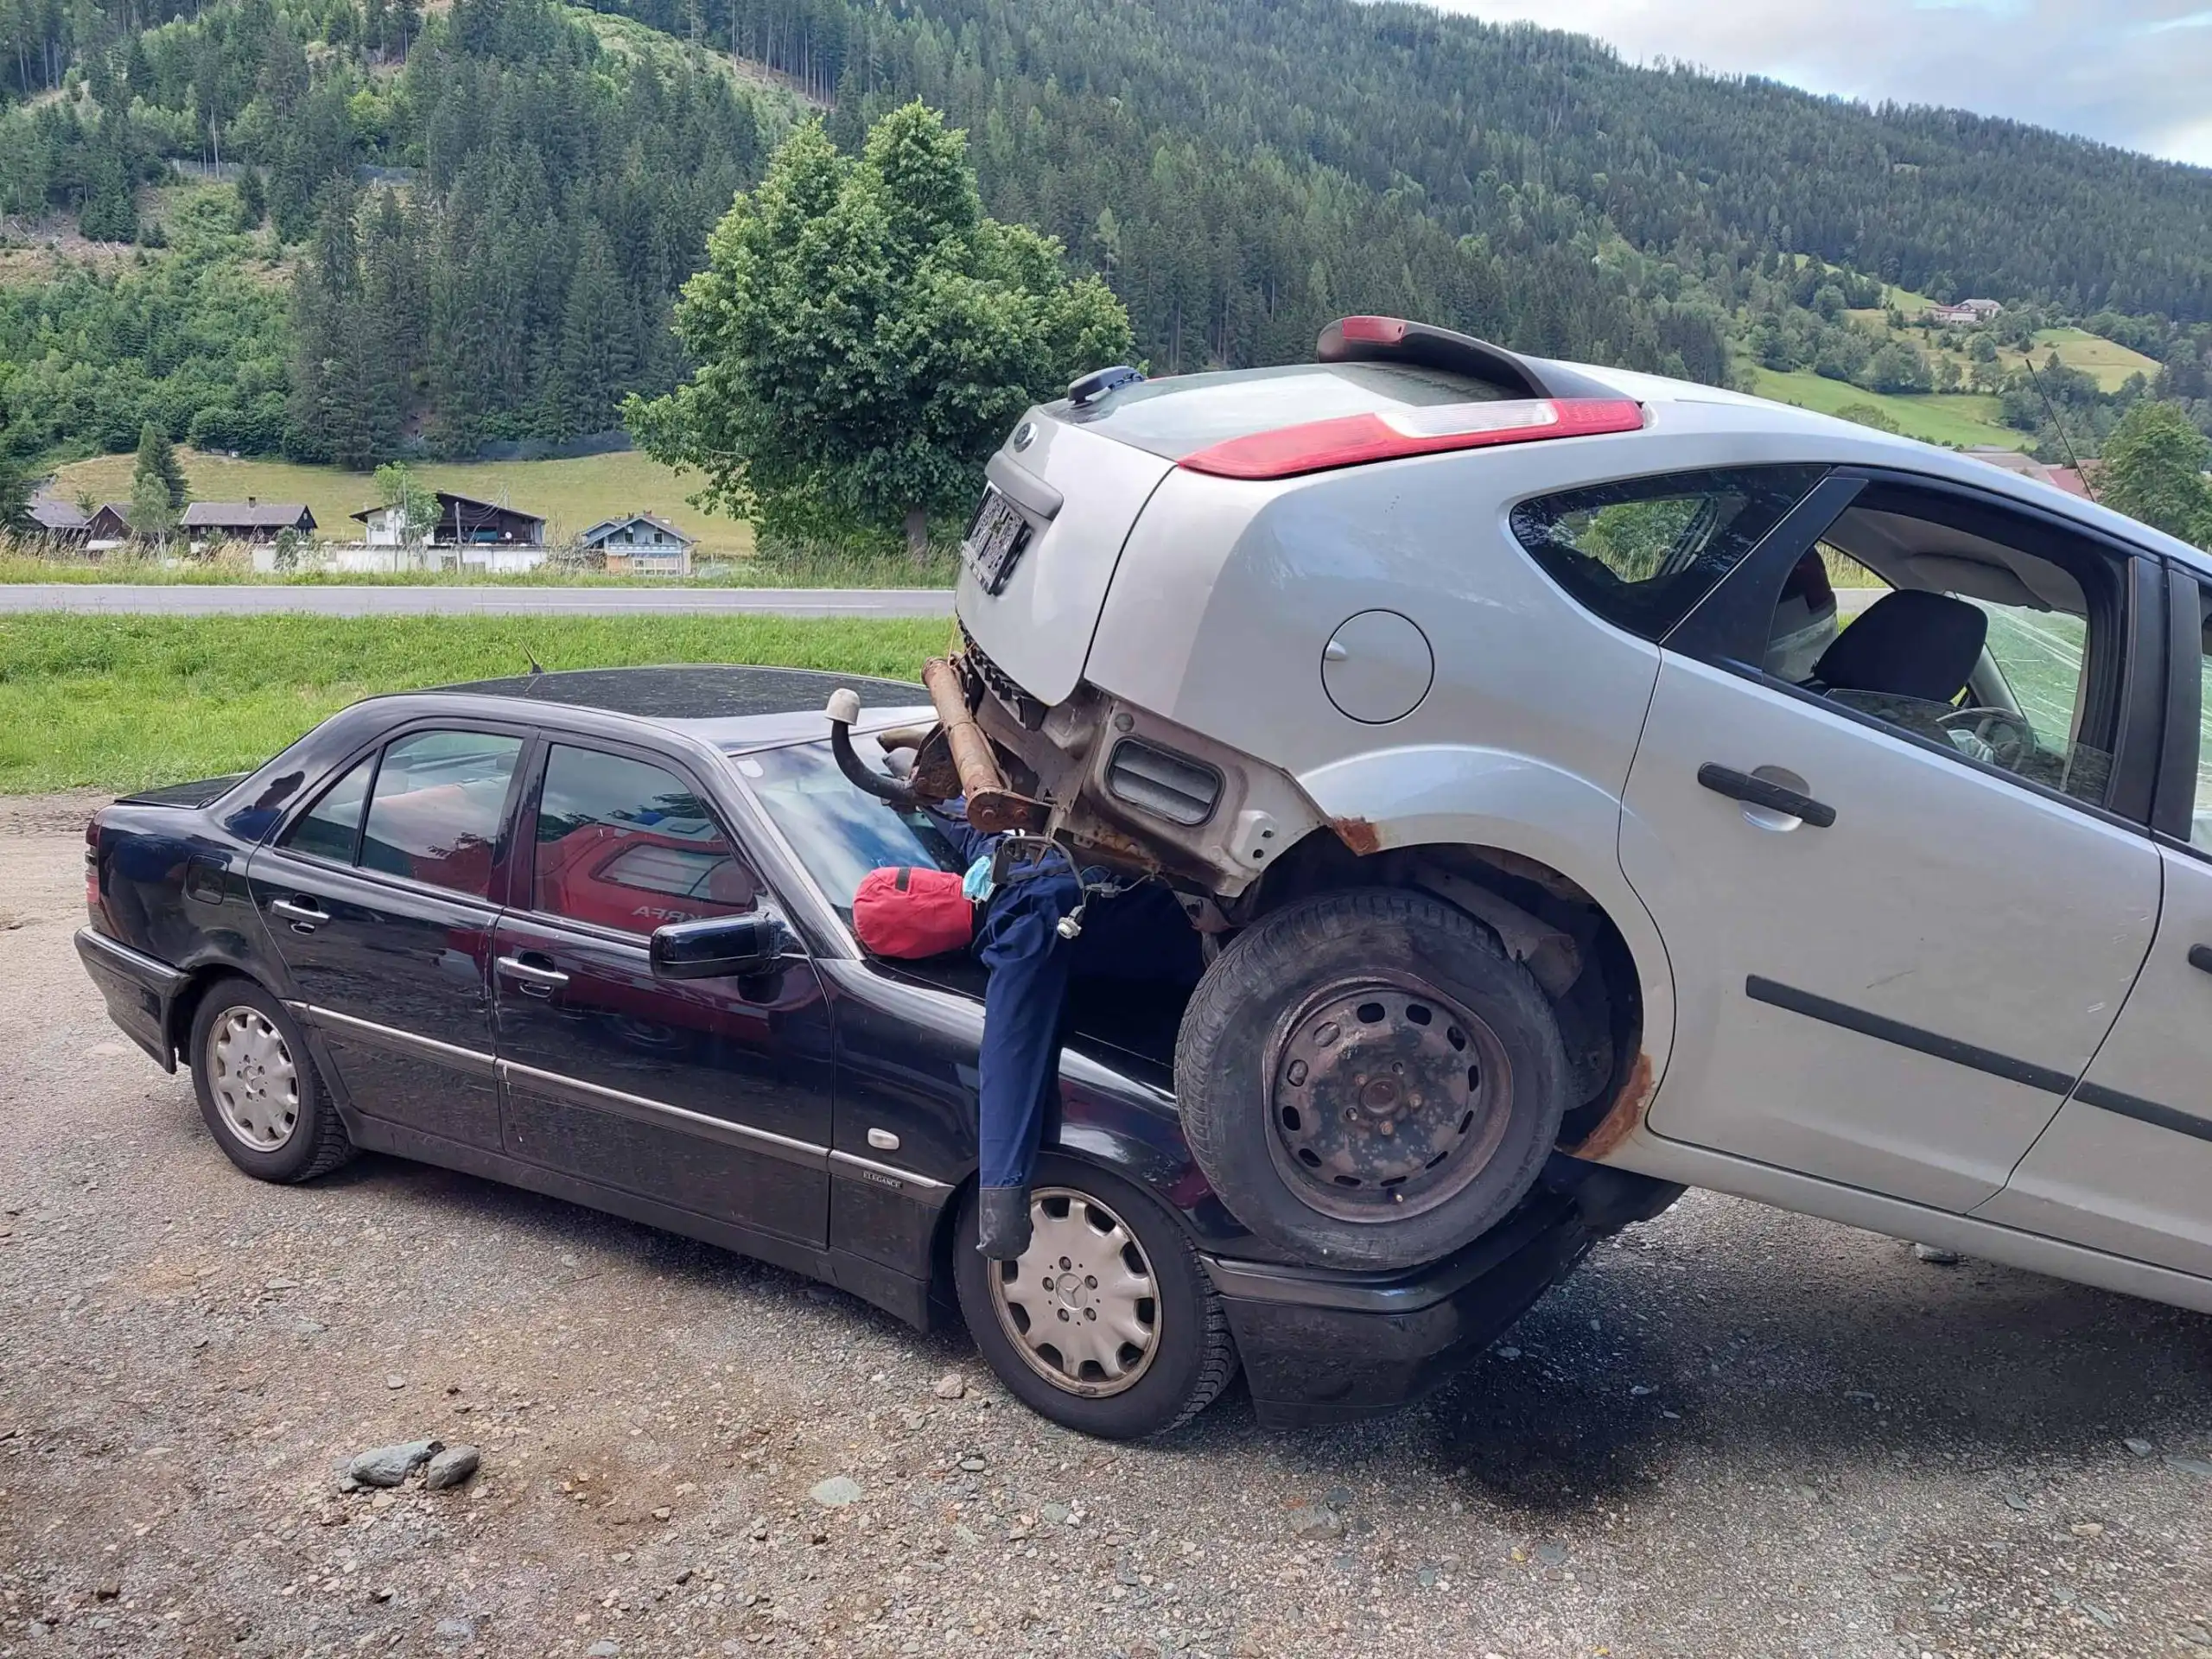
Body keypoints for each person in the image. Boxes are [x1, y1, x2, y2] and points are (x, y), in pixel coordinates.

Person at [856, 798, 1204, 1259]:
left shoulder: (1021, 937)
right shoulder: (1005, 852)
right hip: (1203, 866)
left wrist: (1001, 1200)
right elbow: (968, 821)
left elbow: (1011, 1059)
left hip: (1217, 942)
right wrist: (919, 788)